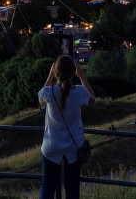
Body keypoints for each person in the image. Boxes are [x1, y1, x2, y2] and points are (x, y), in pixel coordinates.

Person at [39, 55, 96, 199]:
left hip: (51, 146)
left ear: (56, 72)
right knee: (72, 188)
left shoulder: (49, 92)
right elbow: (92, 99)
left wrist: (51, 75)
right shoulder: (79, 92)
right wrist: (82, 76)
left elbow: (41, 100)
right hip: (74, 147)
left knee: (47, 186)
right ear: (73, 72)